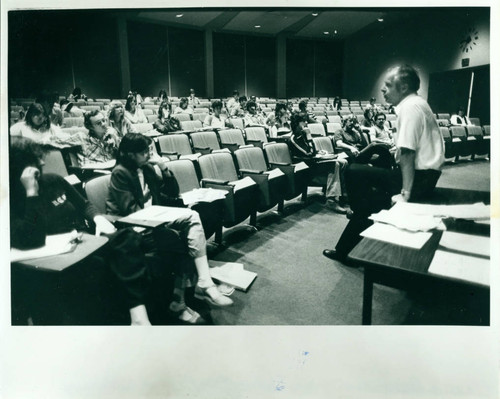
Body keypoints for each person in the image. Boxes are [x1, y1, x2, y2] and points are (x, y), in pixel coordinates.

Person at [9, 136, 154, 325]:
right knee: (104, 266)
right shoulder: (11, 199)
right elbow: (30, 239)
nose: (43, 162)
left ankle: (138, 316)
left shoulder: (54, 180)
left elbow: (84, 205)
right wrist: (31, 193)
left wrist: (98, 218)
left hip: (81, 241)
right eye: (36, 160)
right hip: (52, 257)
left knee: (129, 238)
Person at [323, 64, 444, 263]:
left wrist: (405, 194)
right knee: (367, 204)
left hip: (418, 180)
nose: (382, 89)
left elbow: (407, 153)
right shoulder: (418, 103)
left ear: (403, 87)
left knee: (353, 170)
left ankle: (355, 209)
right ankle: (346, 249)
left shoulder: (410, 107)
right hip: (426, 177)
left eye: (388, 85)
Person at [106, 134, 234, 312]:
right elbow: (130, 210)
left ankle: (191, 291)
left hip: (153, 220)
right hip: (131, 226)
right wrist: (163, 216)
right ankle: (184, 297)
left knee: (192, 219)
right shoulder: (120, 172)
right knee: (185, 233)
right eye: (143, 152)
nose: (148, 154)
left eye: (148, 150)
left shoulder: (148, 168)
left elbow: (173, 192)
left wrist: (163, 167)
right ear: (129, 154)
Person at [288, 113, 347, 214]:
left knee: (343, 162)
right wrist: (308, 135)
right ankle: (331, 200)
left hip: (313, 162)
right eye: (303, 121)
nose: (306, 122)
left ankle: (340, 195)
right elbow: (308, 153)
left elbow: (313, 151)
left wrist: (319, 152)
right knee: (334, 164)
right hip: (305, 167)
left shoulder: (303, 135)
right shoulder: (293, 139)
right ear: (297, 123)